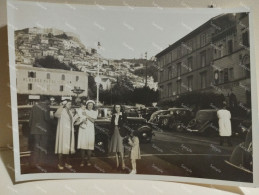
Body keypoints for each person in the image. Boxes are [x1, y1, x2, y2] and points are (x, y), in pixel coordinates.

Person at [54, 99, 80, 170]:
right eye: (69, 104)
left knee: (68, 148)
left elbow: (71, 122)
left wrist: (77, 117)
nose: (70, 105)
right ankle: (60, 164)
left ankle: (67, 163)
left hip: (69, 132)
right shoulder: (62, 110)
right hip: (63, 132)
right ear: (65, 104)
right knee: (61, 147)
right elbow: (56, 115)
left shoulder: (70, 112)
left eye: (70, 104)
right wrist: (62, 105)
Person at [28, 96, 51, 167]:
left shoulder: (34, 106)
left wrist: (32, 128)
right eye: (49, 101)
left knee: (36, 146)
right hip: (44, 130)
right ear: (46, 100)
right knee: (43, 146)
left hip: (35, 130)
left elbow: (30, 119)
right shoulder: (46, 107)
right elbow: (47, 119)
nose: (49, 102)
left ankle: (35, 162)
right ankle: (41, 162)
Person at [77, 100, 98, 167]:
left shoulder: (95, 112)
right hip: (83, 129)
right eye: (89, 105)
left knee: (89, 146)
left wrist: (86, 115)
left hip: (90, 130)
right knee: (83, 146)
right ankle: (82, 161)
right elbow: (78, 118)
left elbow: (93, 120)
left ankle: (88, 160)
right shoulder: (82, 110)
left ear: (93, 106)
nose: (90, 106)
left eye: (91, 105)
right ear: (86, 105)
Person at [109, 105, 128, 170]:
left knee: (121, 148)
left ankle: (123, 163)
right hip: (114, 132)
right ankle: (117, 163)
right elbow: (111, 124)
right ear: (115, 108)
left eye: (118, 107)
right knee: (116, 148)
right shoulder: (113, 115)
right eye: (116, 107)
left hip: (121, 132)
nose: (117, 108)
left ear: (121, 108)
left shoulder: (123, 115)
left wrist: (125, 133)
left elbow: (126, 124)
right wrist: (110, 133)